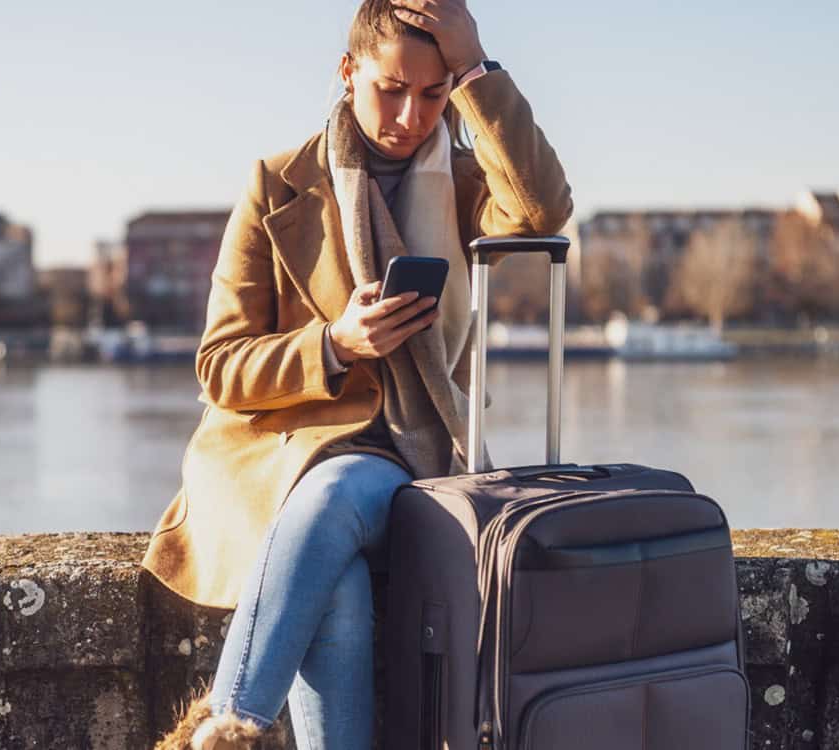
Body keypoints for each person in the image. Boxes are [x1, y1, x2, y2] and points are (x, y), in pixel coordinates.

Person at [144, 1, 572, 748]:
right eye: (390, 88)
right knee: (334, 584)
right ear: (347, 73)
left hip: (415, 458)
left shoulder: (471, 185)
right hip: (277, 462)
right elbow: (219, 368)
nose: (409, 115)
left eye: (433, 93)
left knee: (340, 491)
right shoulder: (276, 184)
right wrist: (335, 344)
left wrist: (475, 67)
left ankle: (223, 726)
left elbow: (542, 211)